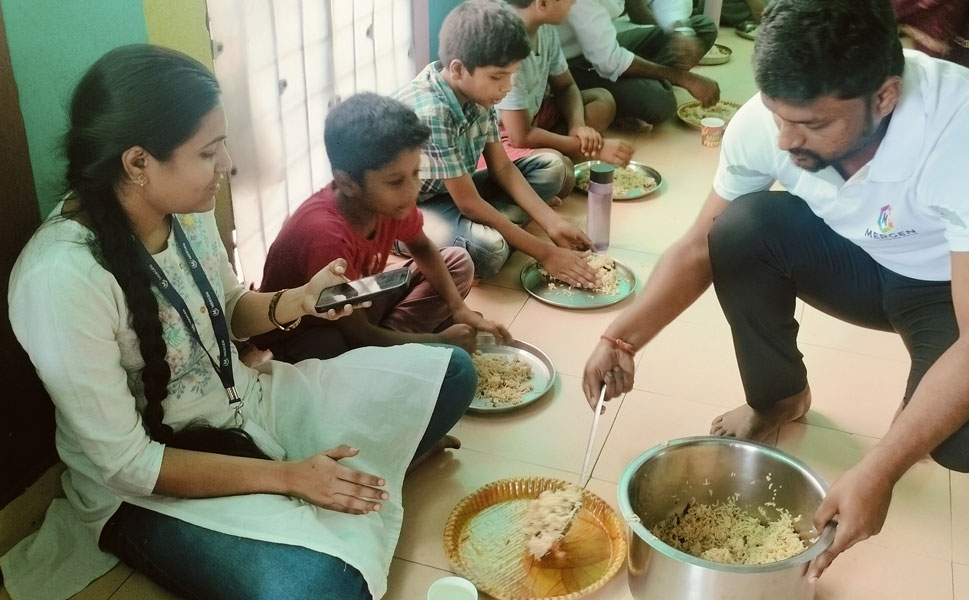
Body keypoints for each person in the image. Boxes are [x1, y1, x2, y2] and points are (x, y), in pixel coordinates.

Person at [582, 0, 969, 582]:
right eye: (778, 115)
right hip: (865, 253)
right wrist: (621, 338)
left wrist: (879, 469)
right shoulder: (769, 124)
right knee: (738, 230)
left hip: (955, 279)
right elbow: (697, 247)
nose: (786, 140)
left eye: (813, 125)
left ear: (884, 97)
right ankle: (780, 398)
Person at [0, 45, 476, 600]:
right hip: (153, 481)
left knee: (453, 372)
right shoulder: (62, 279)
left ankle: (333, 490)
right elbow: (128, 464)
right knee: (321, 590)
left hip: (251, 402)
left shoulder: (184, 209)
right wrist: (291, 476)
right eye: (209, 151)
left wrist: (298, 301)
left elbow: (229, 309)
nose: (226, 164)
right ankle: (339, 488)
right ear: (138, 163)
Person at [253, 92, 511, 363]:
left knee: (457, 261)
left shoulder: (389, 203)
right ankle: (391, 348)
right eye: (395, 182)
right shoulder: (325, 238)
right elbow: (359, 334)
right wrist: (441, 342)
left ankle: (390, 343)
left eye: (415, 173)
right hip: (307, 331)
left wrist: (459, 309)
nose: (412, 191)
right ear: (348, 183)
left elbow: (422, 248)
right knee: (334, 347)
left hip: (358, 298)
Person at [393, 0, 598, 285]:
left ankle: (495, 226)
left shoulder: (478, 92)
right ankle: (489, 231)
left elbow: (502, 168)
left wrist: (553, 224)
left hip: (456, 190)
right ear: (458, 69)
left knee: (555, 168)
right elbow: (469, 204)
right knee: (490, 250)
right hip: (412, 211)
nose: (507, 87)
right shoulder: (432, 113)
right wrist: (545, 253)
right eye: (498, 77)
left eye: (511, 75)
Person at [497, 0, 634, 174]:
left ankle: (553, 149)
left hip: (534, 116)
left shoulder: (545, 30)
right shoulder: (509, 50)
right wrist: (597, 149)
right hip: (504, 137)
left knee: (602, 100)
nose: (574, 2)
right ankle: (555, 152)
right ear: (542, 4)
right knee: (559, 170)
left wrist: (577, 125)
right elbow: (519, 137)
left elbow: (566, 86)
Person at [558, 0, 722, 131]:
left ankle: (641, 86)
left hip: (604, 41)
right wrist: (684, 78)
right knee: (660, 102)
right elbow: (610, 60)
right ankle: (635, 95)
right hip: (569, 64)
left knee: (703, 27)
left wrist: (681, 32)